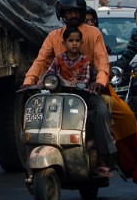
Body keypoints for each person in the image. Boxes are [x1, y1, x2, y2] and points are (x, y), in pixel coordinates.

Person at [22, 0, 137, 191]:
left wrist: (99, 82)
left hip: (91, 90)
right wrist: (28, 82)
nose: (73, 15)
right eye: (68, 11)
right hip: (59, 93)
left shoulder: (93, 34)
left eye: (76, 11)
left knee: (122, 115)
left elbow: (102, 61)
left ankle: (129, 167)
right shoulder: (53, 36)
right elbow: (41, 61)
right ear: (62, 14)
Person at [41, 26, 116, 177]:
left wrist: (79, 85)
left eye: (77, 41)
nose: (74, 44)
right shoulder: (59, 59)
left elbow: (85, 80)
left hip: (82, 96)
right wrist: (42, 82)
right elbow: (48, 74)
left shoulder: (85, 61)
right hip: (62, 97)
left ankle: (103, 159)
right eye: (70, 41)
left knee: (97, 115)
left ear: (82, 43)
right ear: (64, 43)